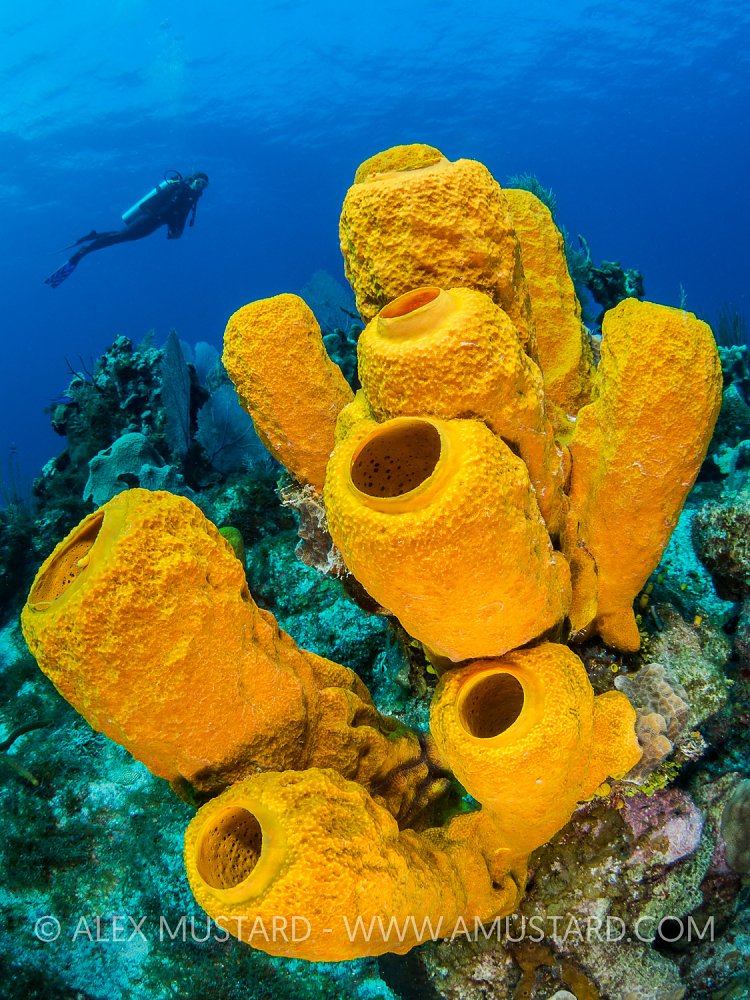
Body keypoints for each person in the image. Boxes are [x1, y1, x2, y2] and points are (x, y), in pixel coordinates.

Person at [44, 170, 209, 288]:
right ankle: (82, 252)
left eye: (204, 185)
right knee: (122, 236)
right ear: (192, 180)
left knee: (124, 236)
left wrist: (175, 230)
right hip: (150, 218)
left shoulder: (191, 198)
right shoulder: (181, 190)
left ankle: (94, 236)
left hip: (154, 223)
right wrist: (173, 225)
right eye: (199, 183)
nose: (200, 187)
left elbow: (180, 216)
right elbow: (170, 210)